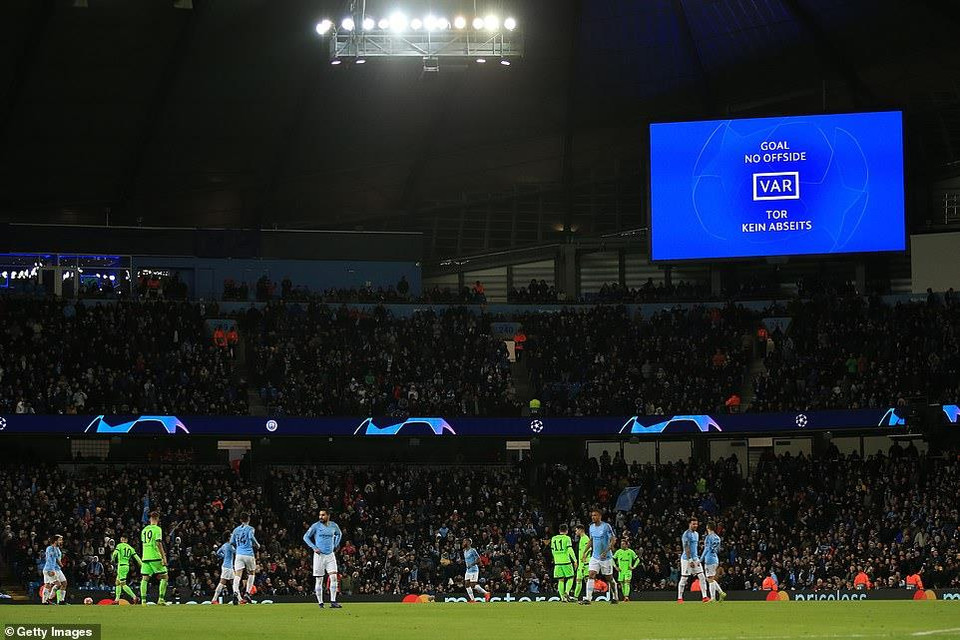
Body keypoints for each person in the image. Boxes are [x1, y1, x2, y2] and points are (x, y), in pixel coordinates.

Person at [303, 509, 343, 608]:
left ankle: (333, 601)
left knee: (333, 577)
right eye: (320, 515)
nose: (321, 517)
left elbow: (339, 534)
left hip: (330, 555)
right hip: (319, 556)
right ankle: (320, 603)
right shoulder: (315, 526)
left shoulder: (334, 525)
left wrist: (336, 544)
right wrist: (314, 547)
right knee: (319, 580)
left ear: (328, 516)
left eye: (323, 515)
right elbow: (306, 537)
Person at [583, 508, 618, 605]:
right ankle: (588, 598)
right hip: (595, 556)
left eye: (595, 515)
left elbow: (613, 540)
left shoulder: (606, 526)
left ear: (600, 516)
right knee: (591, 575)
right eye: (592, 515)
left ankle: (615, 596)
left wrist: (606, 551)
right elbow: (591, 540)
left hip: (606, 557)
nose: (593, 517)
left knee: (609, 578)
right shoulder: (591, 527)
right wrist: (585, 552)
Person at [230, 514, 260, 605]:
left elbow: (231, 542)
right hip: (248, 554)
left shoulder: (235, 530)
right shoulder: (250, 528)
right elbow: (251, 537)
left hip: (239, 554)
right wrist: (257, 544)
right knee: (252, 573)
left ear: (240, 520)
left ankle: (235, 591)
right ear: (248, 519)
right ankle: (247, 593)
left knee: (238, 574)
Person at [678, 517, 709, 603]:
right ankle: (680, 598)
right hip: (686, 559)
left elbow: (694, 547)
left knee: (702, 577)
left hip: (695, 558)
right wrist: (690, 560)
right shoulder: (686, 534)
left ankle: (704, 597)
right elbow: (686, 547)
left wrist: (696, 558)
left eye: (696, 524)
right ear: (689, 524)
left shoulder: (696, 534)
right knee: (684, 578)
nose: (695, 525)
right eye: (693, 524)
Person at [140, 511, 168, 605]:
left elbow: (143, 543)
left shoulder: (144, 530)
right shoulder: (157, 529)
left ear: (150, 519)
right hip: (155, 556)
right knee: (164, 576)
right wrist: (164, 557)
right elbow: (158, 543)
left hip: (145, 556)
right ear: (157, 519)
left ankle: (143, 601)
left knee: (145, 578)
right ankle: (160, 599)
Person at [550, 524, 577, 602]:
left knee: (560, 580)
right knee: (571, 577)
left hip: (557, 562)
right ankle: (567, 592)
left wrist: (555, 559)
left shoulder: (553, 538)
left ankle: (562, 598)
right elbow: (570, 550)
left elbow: (552, 551)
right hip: (566, 561)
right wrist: (575, 560)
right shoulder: (567, 538)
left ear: (559, 530)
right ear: (567, 530)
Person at [700, 522, 726, 602]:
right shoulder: (717, 537)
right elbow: (718, 550)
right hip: (715, 559)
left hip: (709, 559)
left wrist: (701, 559)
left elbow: (707, 549)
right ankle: (721, 593)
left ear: (708, 527)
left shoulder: (708, 537)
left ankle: (713, 598)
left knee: (709, 579)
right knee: (711, 578)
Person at [111, 535, 141, 604]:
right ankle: (117, 599)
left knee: (123, 584)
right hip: (126, 566)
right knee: (117, 582)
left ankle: (134, 597)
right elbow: (137, 558)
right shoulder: (130, 548)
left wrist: (112, 559)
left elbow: (115, 553)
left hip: (121, 566)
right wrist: (142, 565)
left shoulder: (119, 545)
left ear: (123, 539)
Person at [461, 538, 490, 603]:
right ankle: (472, 599)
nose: (463, 543)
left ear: (468, 542)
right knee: (466, 585)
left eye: (464, 542)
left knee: (473, 585)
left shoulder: (472, 550)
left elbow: (478, 559)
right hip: (468, 570)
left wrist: (471, 565)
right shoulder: (464, 551)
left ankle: (486, 593)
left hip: (474, 570)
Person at [41, 534, 66, 604]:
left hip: (56, 569)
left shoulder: (56, 548)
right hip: (50, 569)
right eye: (60, 540)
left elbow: (56, 558)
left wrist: (60, 564)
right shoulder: (50, 549)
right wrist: (51, 570)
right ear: (55, 541)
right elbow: (50, 560)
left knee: (63, 583)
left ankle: (59, 601)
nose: (62, 541)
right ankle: (50, 597)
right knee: (57, 584)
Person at [211, 533, 235, 604]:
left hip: (226, 566)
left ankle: (239, 599)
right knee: (222, 582)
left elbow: (218, 553)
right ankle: (214, 599)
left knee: (234, 583)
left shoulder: (224, 545)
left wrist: (224, 556)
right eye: (231, 536)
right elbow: (236, 552)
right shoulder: (230, 546)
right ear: (228, 538)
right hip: (228, 567)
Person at [573, 523, 590, 602]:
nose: (575, 532)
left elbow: (589, 549)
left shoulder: (586, 538)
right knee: (578, 580)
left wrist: (584, 556)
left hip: (586, 563)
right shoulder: (582, 538)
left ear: (581, 530)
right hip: (581, 563)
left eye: (576, 530)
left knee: (587, 580)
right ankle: (575, 597)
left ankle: (588, 597)